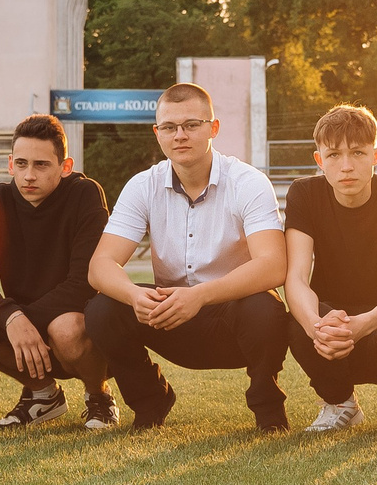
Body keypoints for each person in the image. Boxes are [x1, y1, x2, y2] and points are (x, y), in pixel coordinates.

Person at [87, 82, 290, 431]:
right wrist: (136, 296)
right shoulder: (142, 186)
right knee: (103, 308)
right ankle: (151, 402)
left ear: (213, 128)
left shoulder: (248, 182)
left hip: (232, 316)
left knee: (265, 308)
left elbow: (273, 265)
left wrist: (200, 296)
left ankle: (268, 408)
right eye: (169, 127)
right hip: (169, 315)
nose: (179, 135)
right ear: (157, 133)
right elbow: (100, 266)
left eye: (191, 125)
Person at [0, 114, 114, 429]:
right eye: (22, 164)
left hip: (79, 328)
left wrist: (10, 322)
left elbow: (83, 284)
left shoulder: (85, 194)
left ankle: (99, 396)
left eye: (41, 165)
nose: (29, 176)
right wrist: (9, 318)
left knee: (65, 328)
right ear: (11, 164)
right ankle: (44, 395)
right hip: (24, 330)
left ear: (65, 167)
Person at [283, 104, 377, 435]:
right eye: (334, 155)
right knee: (295, 321)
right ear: (319, 160)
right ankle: (339, 403)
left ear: (376, 154)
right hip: (333, 317)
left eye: (358, 153)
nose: (346, 166)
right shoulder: (304, 193)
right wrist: (316, 326)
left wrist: (364, 324)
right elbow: (295, 279)